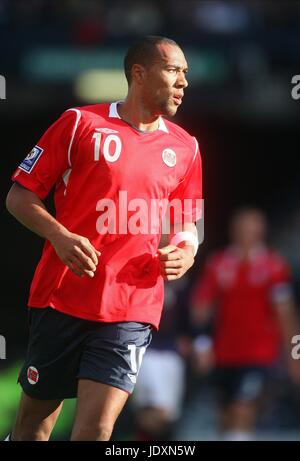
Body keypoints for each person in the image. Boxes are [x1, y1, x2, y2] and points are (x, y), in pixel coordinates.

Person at [5, 35, 202, 441]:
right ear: (139, 73)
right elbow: (19, 196)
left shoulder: (186, 147)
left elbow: (188, 223)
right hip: (62, 296)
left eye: (185, 73)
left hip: (132, 305)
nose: (183, 82)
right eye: (173, 70)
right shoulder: (79, 123)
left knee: (96, 429)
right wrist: (59, 235)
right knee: (33, 428)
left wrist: (186, 251)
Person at [190, 208, 300, 441]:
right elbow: (201, 308)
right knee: (226, 418)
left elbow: (286, 315)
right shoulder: (218, 264)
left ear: (262, 231)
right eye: (243, 228)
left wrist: (294, 355)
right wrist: (201, 343)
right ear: (234, 231)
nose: (247, 234)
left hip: (258, 354)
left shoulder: (273, 266)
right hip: (224, 354)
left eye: (253, 229)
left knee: (243, 411)